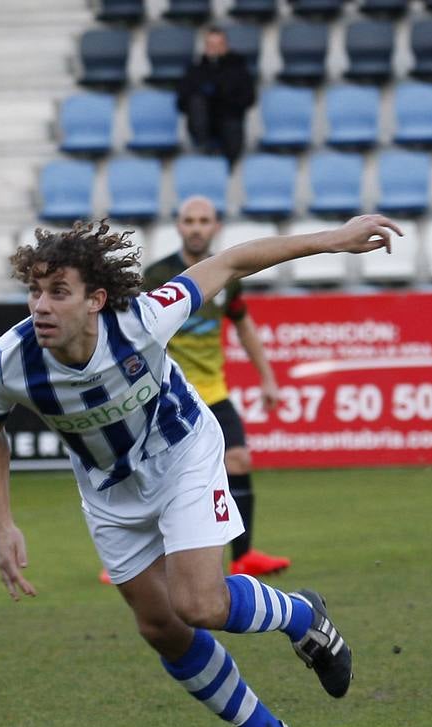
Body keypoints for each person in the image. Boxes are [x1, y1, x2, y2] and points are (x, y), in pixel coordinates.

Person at [0, 215, 399, 727]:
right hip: (108, 491)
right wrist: (2, 525)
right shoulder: (9, 360)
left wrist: (334, 239)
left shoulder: (143, 319)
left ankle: (304, 618)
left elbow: (233, 262)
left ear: (96, 299)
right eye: (35, 291)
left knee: (198, 603)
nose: (40, 306)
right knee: (161, 627)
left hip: (182, 456)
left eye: (58, 292)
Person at [135, 196, 290, 579]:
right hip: (167, 395)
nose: (196, 227)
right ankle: (137, 562)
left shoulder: (226, 276)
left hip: (214, 391)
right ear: (178, 226)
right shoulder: (157, 276)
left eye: (204, 220)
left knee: (238, 460)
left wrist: (267, 377)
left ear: (216, 226)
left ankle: (243, 556)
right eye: (189, 220)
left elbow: (243, 325)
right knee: (152, 475)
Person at [176, 28, 255, 164]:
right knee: (197, 102)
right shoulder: (195, 70)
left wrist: (221, 96)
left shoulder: (238, 69)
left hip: (229, 121)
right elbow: (181, 102)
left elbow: (248, 99)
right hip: (203, 125)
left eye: (218, 44)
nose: (214, 49)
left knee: (231, 122)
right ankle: (204, 153)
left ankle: (229, 165)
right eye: (210, 45)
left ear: (226, 46)